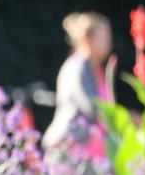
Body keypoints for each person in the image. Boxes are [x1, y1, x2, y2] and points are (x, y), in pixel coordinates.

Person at [42, 11, 116, 159]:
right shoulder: (77, 67)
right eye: (103, 37)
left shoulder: (97, 70)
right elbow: (91, 107)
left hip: (93, 152)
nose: (109, 41)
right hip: (71, 148)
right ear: (87, 39)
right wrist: (127, 118)